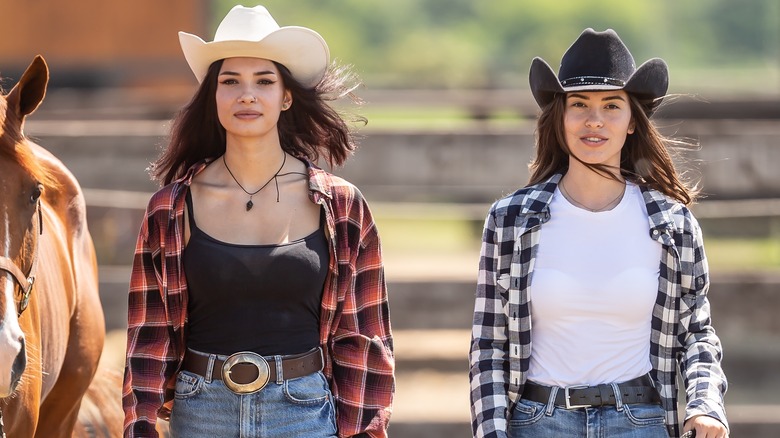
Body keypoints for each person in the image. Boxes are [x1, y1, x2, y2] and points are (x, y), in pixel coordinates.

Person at [122, 5, 394, 437]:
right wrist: (139, 423)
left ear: (286, 97)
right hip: (200, 413)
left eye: (264, 82)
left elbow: (364, 335)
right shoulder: (170, 209)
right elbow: (148, 335)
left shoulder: (341, 206)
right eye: (230, 82)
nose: (246, 95)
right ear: (214, 97)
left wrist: (362, 430)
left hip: (304, 412)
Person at [469, 29, 728, 438]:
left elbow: (696, 332)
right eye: (579, 105)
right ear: (560, 117)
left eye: (611, 105)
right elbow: (489, 345)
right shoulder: (511, 220)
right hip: (538, 422)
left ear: (631, 122)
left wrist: (706, 404)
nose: (594, 120)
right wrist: (492, 432)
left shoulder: (673, 224)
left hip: (640, 422)